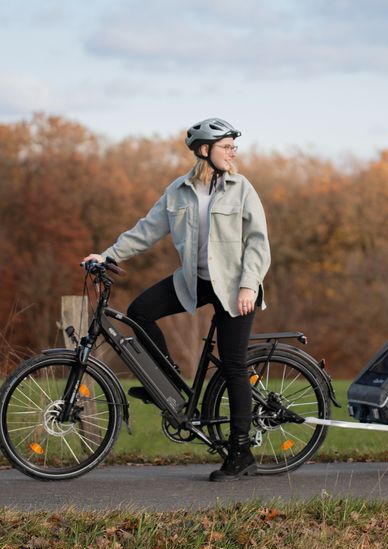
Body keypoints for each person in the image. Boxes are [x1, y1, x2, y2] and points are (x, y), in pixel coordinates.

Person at [83, 118, 271, 481]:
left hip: (235, 287)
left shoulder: (242, 188)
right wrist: (107, 255)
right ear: (205, 150)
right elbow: (147, 230)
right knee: (140, 311)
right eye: (226, 146)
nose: (234, 152)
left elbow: (258, 242)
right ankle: (164, 382)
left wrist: (249, 285)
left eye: (234, 146)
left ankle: (241, 452)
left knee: (232, 365)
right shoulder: (179, 191)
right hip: (195, 281)